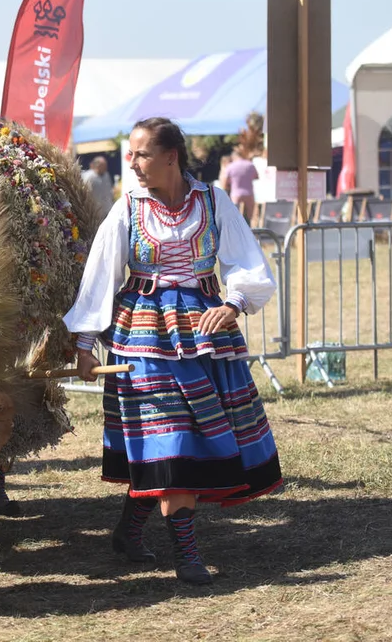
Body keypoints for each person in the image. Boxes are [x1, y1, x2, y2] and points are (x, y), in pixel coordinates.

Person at [64, 118, 282, 585]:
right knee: (170, 435)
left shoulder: (213, 200)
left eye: (143, 154)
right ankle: (187, 555)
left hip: (204, 335)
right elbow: (100, 278)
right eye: (132, 154)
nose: (134, 163)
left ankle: (128, 531)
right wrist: (84, 345)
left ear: (171, 157)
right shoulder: (127, 209)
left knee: (188, 438)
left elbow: (247, 262)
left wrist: (234, 304)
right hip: (143, 337)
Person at [219, 150, 258, 224]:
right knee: (250, 217)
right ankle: (249, 230)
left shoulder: (230, 166)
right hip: (249, 193)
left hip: (236, 193)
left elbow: (224, 182)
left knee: (234, 216)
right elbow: (256, 176)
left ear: (233, 157)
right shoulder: (250, 165)